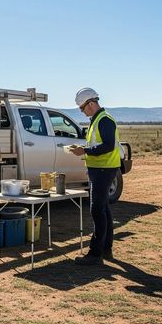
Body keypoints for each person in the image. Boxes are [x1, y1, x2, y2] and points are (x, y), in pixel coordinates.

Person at [69, 88, 121, 265]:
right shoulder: (97, 119)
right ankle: (106, 249)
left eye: (83, 108)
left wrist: (84, 151)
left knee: (97, 210)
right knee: (104, 210)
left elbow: (108, 146)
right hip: (100, 169)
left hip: (103, 169)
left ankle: (95, 254)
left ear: (91, 103)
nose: (82, 112)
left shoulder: (104, 120)